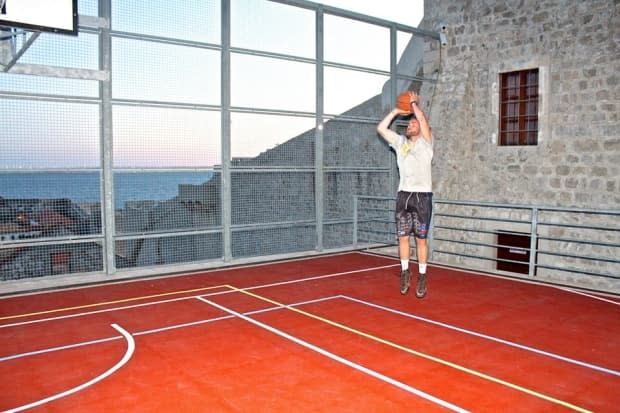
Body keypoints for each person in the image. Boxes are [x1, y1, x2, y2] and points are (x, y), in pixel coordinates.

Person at [376, 90, 433, 298]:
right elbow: (381, 128)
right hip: (403, 196)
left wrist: (414, 104)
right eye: (408, 123)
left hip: (422, 197)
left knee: (421, 241)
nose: (410, 125)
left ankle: (423, 277)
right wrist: (396, 111)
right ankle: (405, 272)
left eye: (413, 123)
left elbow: (423, 120)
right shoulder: (401, 144)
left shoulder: (427, 144)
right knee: (402, 238)